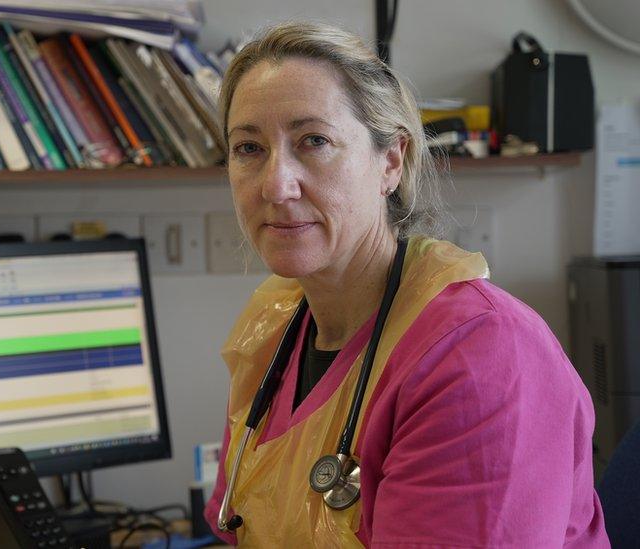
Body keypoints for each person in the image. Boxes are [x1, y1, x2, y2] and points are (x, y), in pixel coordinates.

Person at [203, 21, 609, 547]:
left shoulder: (479, 354)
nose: (277, 185)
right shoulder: (272, 333)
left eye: (314, 141)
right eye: (248, 148)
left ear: (390, 162)